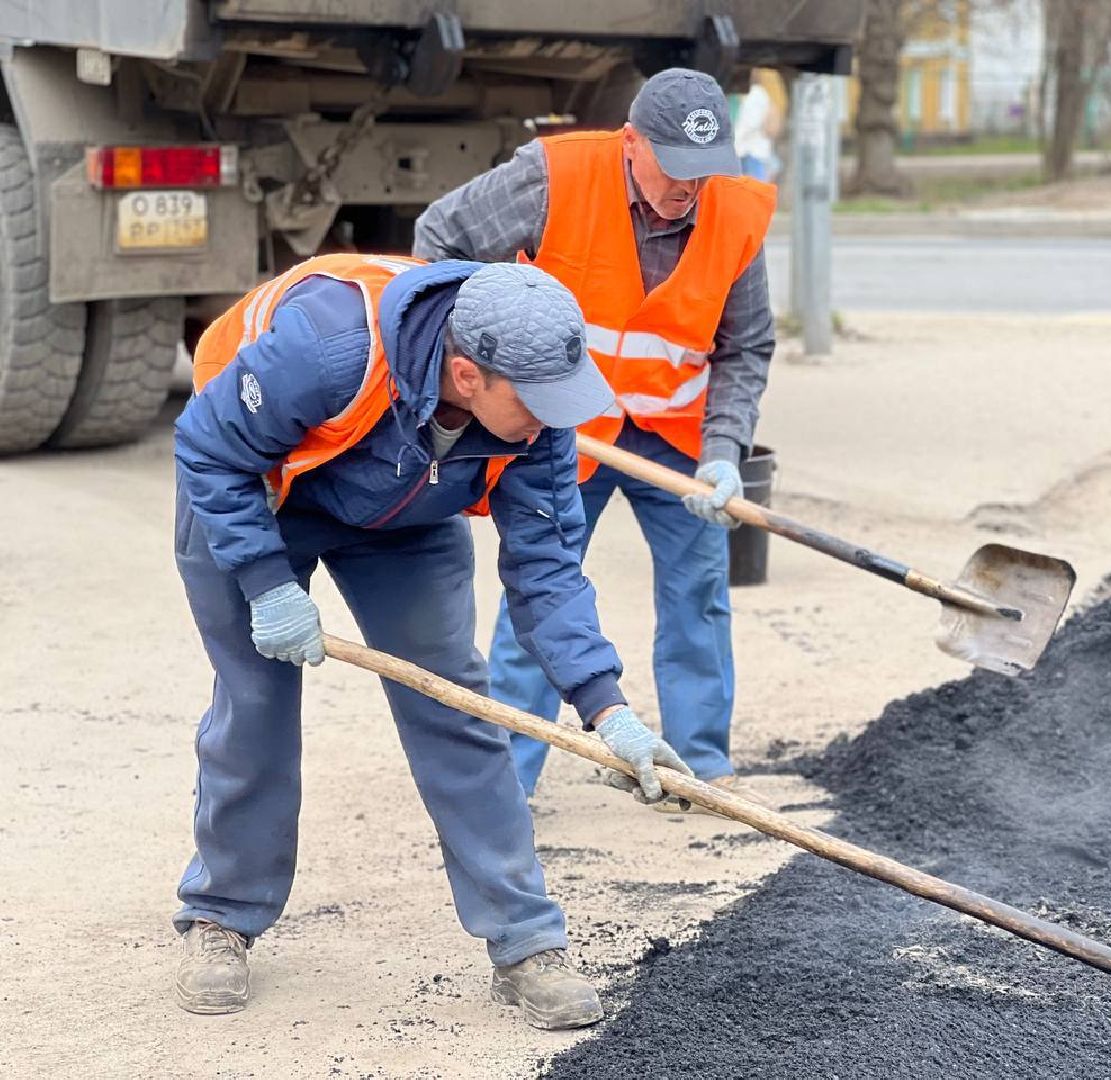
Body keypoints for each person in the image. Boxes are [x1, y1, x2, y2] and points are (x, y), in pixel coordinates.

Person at [170, 253, 693, 1026]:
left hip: (402, 520)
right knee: (256, 707)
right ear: (467, 374)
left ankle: (525, 944)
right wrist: (266, 583)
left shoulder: (540, 425)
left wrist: (605, 708)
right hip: (258, 499)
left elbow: (547, 574)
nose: (556, 417)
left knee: (458, 711)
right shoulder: (330, 347)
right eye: (537, 400)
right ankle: (220, 916)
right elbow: (209, 449)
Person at [413, 68, 777, 810]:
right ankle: (508, 778)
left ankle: (698, 767)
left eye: (704, 172)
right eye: (674, 167)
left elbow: (745, 346)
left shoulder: (736, 214)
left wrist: (725, 450)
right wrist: (488, 362)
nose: (690, 188)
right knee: (541, 596)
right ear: (632, 141)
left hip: (677, 437)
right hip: (560, 430)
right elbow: (437, 241)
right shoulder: (555, 177)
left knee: (700, 591)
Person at [734, 79, 777, 181]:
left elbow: (751, 123)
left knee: (754, 190)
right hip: (744, 153)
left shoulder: (755, 93)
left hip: (752, 152)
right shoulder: (740, 95)